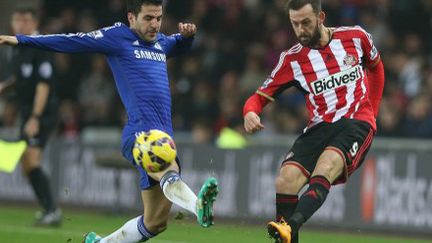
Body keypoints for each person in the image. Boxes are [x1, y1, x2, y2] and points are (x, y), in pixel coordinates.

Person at [0, 0, 219, 242]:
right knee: (167, 167)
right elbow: (71, 40)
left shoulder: (160, 43)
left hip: (164, 134)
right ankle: (197, 205)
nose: (155, 24)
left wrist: (189, 36)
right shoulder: (116, 37)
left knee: (155, 222)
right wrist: (23, 39)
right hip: (140, 134)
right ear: (131, 17)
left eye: (158, 18)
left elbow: (178, 44)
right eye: (148, 18)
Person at [242, 0, 385, 242]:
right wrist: (250, 113)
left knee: (326, 166)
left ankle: (291, 226)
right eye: (295, 24)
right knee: (285, 180)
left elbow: (376, 68)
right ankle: (288, 233)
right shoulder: (291, 61)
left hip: (356, 121)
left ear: (321, 17)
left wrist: (372, 112)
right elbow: (257, 98)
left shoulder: (356, 37)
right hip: (320, 127)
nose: (300, 30)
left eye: (306, 22)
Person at [0, 7, 62, 226]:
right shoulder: (19, 48)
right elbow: (20, 77)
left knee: (32, 159)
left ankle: (53, 211)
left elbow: (43, 86)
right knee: (27, 164)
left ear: (35, 24)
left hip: (41, 112)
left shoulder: (40, 46)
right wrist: (4, 87)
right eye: (17, 20)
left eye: (25, 20)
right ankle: (49, 210)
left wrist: (35, 117)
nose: (20, 25)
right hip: (28, 112)